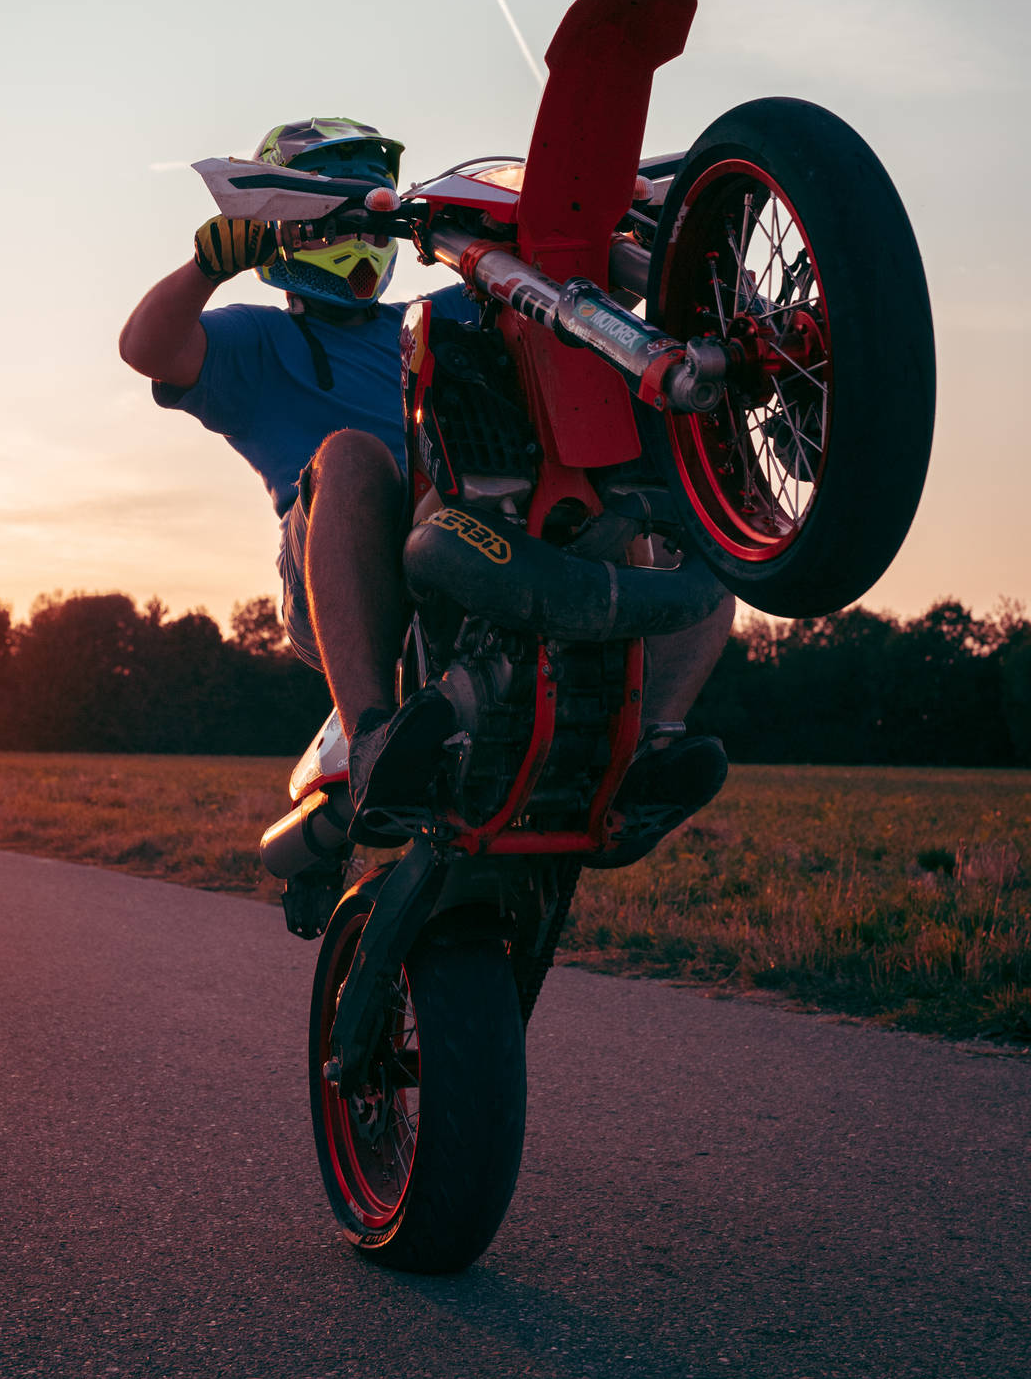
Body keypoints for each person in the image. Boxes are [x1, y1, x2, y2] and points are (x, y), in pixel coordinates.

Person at [119, 117, 734, 859]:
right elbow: (147, 348)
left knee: (680, 482)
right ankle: (375, 735)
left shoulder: (430, 319)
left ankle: (649, 747)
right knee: (351, 453)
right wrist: (206, 266)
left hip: (470, 532)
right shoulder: (260, 339)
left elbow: (558, 322)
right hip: (337, 564)